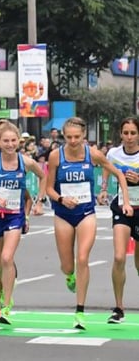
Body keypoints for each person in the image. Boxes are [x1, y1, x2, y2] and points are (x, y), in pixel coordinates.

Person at [45, 117, 131, 330]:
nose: (73, 141)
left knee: (82, 258)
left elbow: (118, 173)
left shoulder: (92, 154)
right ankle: (70, 275)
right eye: (68, 137)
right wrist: (62, 199)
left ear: (84, 136)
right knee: (67, 266)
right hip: (63, 213)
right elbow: (49, 189)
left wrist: (125, 200)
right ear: (63, 136)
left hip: (86, 212)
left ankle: (80, 311)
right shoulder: (56, 156)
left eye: (77, 137)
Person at [0, 120, 46, 325]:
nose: (10, 144)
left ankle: (3, 306)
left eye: (13, 140)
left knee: (6, 259)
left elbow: (44, 177)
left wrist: (39, 202)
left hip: (14, 216)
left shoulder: (27, 162)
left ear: (19, 141)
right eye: (6, 140)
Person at [100, 117, 139, 324]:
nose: (129, 137)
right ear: (120, 134)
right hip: (122, 208)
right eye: (126, 133)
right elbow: (106, 165)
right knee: (119, 257)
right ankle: (118, 307)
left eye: (133, 133)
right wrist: (104, 187)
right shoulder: (114, 153)